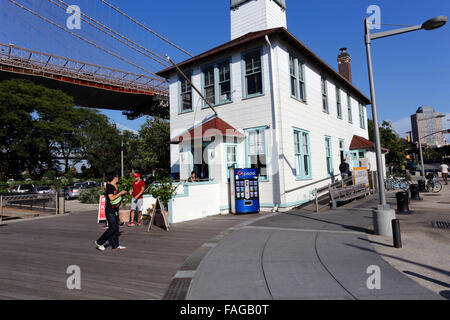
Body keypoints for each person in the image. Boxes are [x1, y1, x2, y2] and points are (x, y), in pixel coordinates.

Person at [95, 174, 128, 251]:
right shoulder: (109, 186)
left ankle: (115, 245)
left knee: (116, 228)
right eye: (117, 177)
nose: (118, 178)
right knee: (112, 228)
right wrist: (120, 193)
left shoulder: (113, 186)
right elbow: (111, 198)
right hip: (110, 210)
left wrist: (124, 193)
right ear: (114, 178)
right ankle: (99, 242)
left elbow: (116, 196)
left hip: (114, 210)